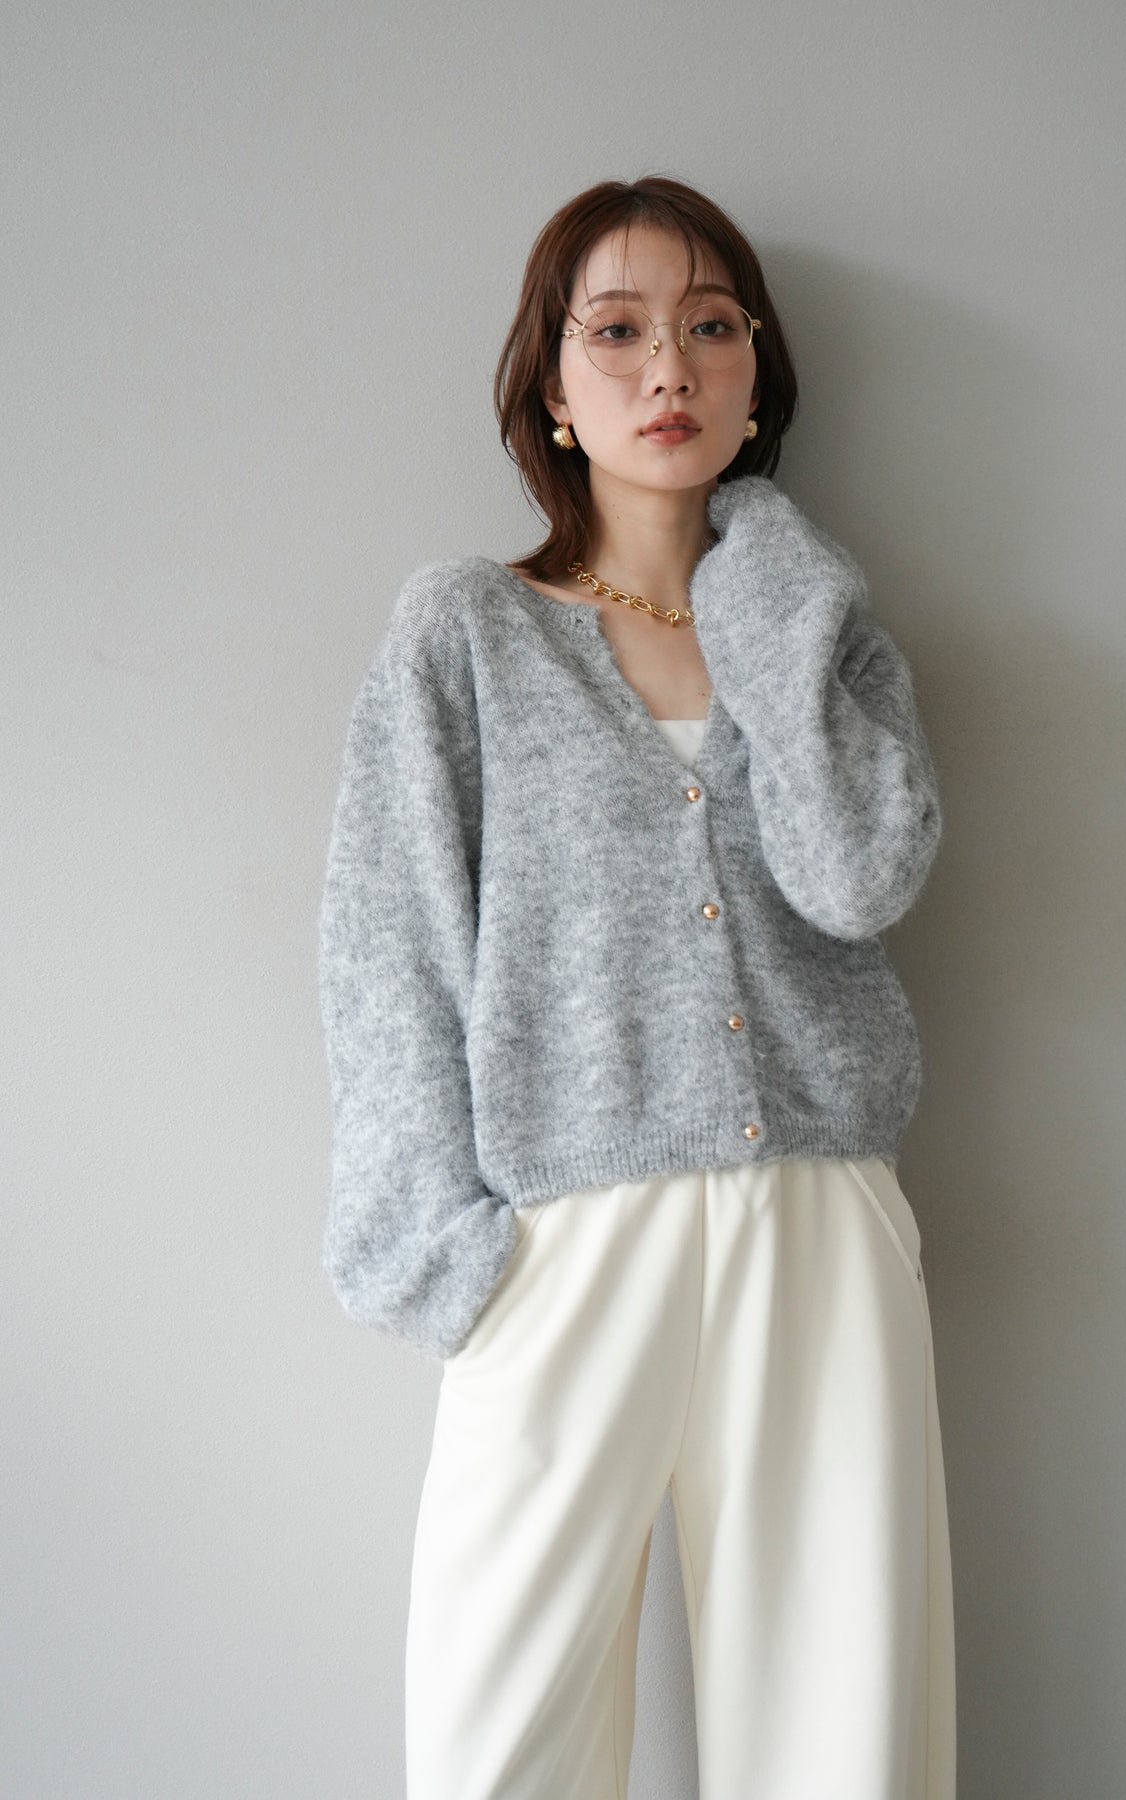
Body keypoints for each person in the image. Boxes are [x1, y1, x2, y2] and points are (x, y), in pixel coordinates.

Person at [317, 173, 956, 1800]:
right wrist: (441, 1255)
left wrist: (766, 587)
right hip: (559, 1233)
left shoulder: (824, 636)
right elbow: (388, 947)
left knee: (840, 1738)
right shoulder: (466, 630)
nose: (666, 367)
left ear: (755, 376)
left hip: (814, 1216)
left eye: (709, 328)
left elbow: (858, 880)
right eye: (615, 331)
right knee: (498, 1742)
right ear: (553, 384)